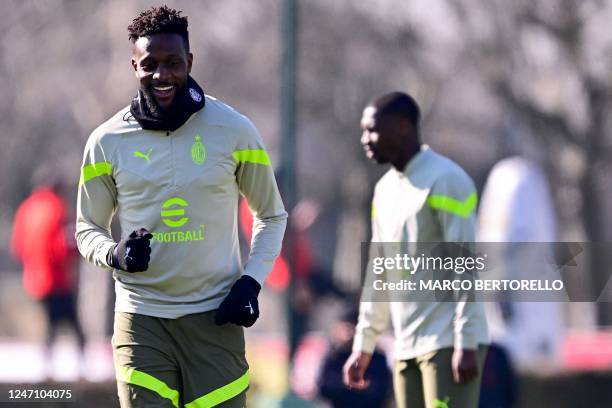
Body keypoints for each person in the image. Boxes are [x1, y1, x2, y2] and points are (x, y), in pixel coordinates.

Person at [75, 6, 287, 407]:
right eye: (149, 65)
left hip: (216, 317)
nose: (162, 75)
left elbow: (271, 215)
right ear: (133, 65)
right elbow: (87, 229)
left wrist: (250, 282)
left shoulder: (235, 130)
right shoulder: (105, 141)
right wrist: (114, 253)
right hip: (142, 320)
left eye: (173, 63)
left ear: (189, 61)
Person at [343, 92, 489, 408]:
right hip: (405, 345)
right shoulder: (384, 191)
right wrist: (363, 345)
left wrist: (466, 341)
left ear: (403, 128)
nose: (365, 139)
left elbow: (465, 266)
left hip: (448, 342)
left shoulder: (446, 179)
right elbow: (378, 273)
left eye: (373, 130)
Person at [11, 181, 86, 378]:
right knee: (72, 324)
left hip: (35, 279)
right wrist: (75, 252)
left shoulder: (26, 208)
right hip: (57, 279)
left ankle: (48, 368)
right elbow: (61, 247)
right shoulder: (56, 208)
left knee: (49, 324)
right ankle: (81, 368)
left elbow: (17, 245)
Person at [318, 308, 391, 407]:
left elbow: (379, 391)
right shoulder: (333, 356)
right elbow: (324, 388)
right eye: (344, 329)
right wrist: (350, 386)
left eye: (351, 329)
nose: (347, 335)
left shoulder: (377, 358)